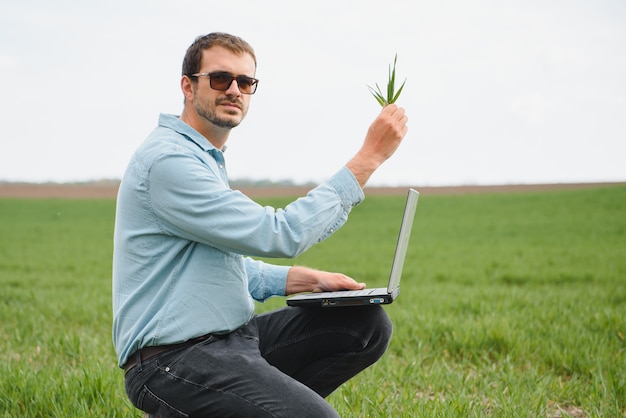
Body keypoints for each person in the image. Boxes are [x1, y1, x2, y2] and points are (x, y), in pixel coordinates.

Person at [112, 32, 409, 417]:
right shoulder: (169, 162)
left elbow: (213, 263)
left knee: (364, 324)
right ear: (188, 86)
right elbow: (279, 234)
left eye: (246, 82)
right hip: (172, 361)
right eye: (220, 78)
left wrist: (303, 279)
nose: (234, 90)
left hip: (232, 340)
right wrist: (369, 157)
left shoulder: (202, 157)